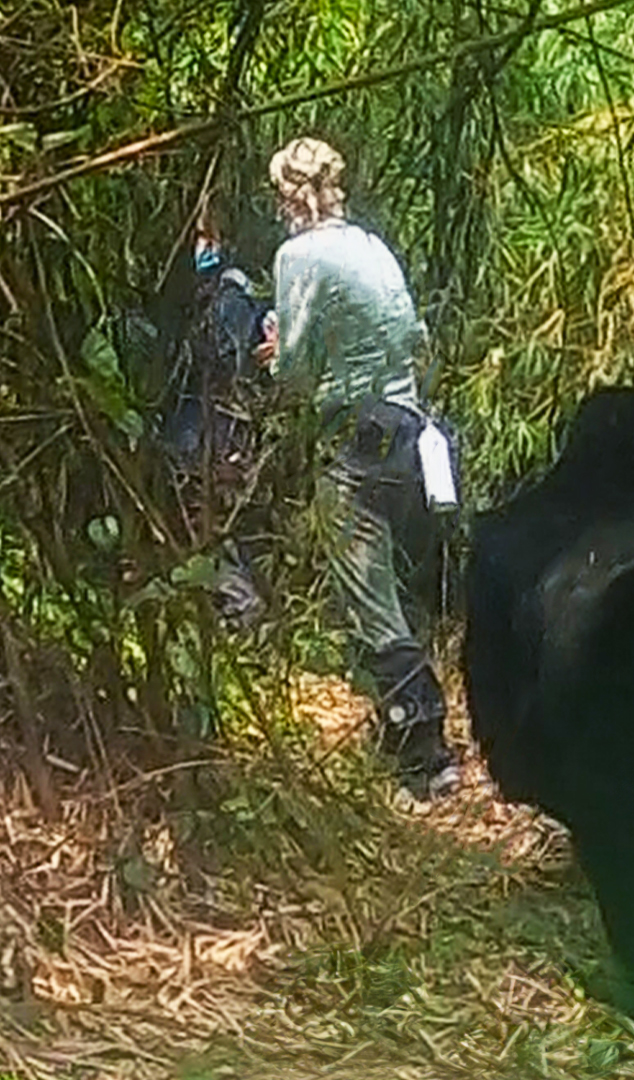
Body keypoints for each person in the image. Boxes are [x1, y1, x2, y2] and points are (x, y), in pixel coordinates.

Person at [256, 137, 462, 804]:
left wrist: (274, 350)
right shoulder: (374, 247)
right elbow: (416, 339)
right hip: (414, 435)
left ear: (287, 195)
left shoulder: (298, 254)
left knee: (373, 603)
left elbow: (292, 371)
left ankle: (425, 761)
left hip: (354, 441)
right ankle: (411, 738)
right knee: (406, 594)